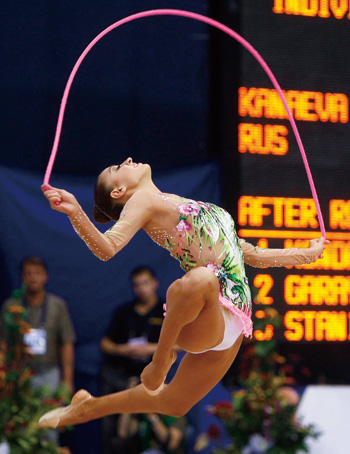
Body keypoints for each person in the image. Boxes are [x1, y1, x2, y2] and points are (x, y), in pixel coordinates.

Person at [39, 157, 328, 428]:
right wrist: (76, 212)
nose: (127, 160)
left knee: (174, 403)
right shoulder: (143, 200)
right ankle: (160, 360)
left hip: (234, 319)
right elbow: (108, 247)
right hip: (202, 308)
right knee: (200, 279)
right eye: (117, 167)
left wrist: (306, 255)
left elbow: (248, 253)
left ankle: (88, 408)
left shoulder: (183, 202)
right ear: (119, 191)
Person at [0, 256, 76, 441]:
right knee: (18, 427)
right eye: (28, 273)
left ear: (46, 277)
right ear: (22, 278)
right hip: (19, 375)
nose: (33, 277)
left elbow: (66, 343)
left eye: (37, 273)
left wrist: (67, 380)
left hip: (49, 372)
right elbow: (4, 344)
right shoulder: (11, 306)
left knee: (49, 427)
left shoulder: (57, 306)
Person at [99, 266, 165, 454]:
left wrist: (151, 348)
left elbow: (183, 344)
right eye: (137, 285)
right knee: (118, 432)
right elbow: (105, 344)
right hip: (123, 377)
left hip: (155, 379)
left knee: (157, 429)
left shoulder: (167, 311)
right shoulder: (124, 312)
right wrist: (123, 349)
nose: (141, 288)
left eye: (145, 283)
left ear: (155, 283)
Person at [116, 377, 188, 454]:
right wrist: (129, 397)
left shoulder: (176, 415)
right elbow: (123, 433)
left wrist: (151, 415)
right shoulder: (143, 418)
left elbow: (170, 444)